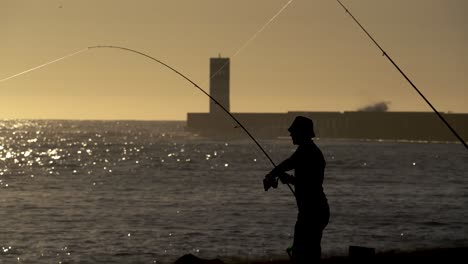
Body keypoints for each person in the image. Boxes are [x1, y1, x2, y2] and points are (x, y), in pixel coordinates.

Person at [264, 116, 330, 263]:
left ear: (302, 132)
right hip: (312, 210)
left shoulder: (308, 151)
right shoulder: (305, 149)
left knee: (305, 253)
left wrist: (289, 179)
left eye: (293, 131)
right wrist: (272, 175)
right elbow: (288, 164)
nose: (290, 134)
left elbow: (312, 183)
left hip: (313, 211)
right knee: (306, 250)